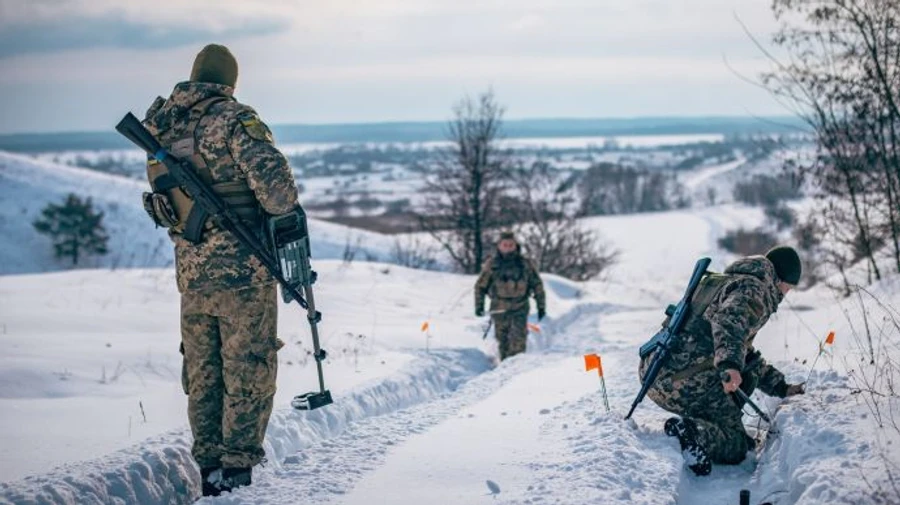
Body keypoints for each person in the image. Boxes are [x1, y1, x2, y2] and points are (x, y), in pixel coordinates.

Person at [141, 44, 300, 496]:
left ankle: (209, 465)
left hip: (192, 275)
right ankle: (236, 472)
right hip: (243, 273)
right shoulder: (234, 119)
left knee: (203, 371)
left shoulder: (162, 126)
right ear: (229, 82)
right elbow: (279, 195)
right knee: (247, 366)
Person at [638, 246, 806, 476]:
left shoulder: (730, 281)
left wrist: (781, 387)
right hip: (680, 381)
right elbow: (727, 323)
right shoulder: (754, 290)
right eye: (789, 287)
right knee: (737, 443)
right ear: (781, 280)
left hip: (655, 372)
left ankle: (708, 423)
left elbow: (745, 353)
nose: (787, 294)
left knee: (746, 372)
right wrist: (730, 366)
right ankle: (692, 432)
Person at [474, 232, 546, 360]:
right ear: (499, 246)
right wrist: (479, 306)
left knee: (518, 341)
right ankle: (505, 368)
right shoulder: (492, 265)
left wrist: (541, 306)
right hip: (499, 309)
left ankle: (517, 368)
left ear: (515, 246)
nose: (508, 248)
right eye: (505, 245)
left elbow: (537, 285)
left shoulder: (525, 264)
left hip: (520, 308)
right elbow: (480, 286)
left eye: (511, 245)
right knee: (503, 343)